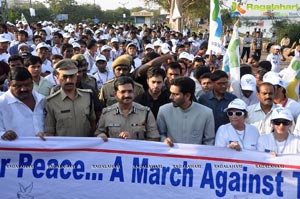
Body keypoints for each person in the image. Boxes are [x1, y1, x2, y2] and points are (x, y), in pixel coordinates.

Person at [95, 76, 160, 141]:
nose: (127, 95)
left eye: (130, 91)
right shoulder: (107, 113)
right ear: (115, 94)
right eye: (123, 92)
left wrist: (133, 141)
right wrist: (100, 135)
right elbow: (98, 134)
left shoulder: (145, 113)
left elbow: (155, 138)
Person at [157, 77, 215, 147]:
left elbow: (209, 141)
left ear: (187, 96)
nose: (170, 97)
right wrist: (164, 140)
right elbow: (160, 134)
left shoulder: (206, 113)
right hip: (170, 154)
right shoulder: (163, 110)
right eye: (171, 93)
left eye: (175, 94)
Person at [44, 59, 96, 137]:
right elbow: (49, 131)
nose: (68, 80)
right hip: (63, 148)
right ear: (57, 77)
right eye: (64, 77)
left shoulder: (87, 96)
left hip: (85, 147)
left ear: (76, 76)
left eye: (72, 76)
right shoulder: (51, 102)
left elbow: (93, 123)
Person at [0, 67, 44, 140]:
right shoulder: (2, 104)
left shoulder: (42, 100)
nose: (23, 89)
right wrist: (4, 135)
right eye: (18, 86)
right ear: (9, 85)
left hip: (43, 149)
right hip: (15, 150)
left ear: (32, 83)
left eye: (27, 85)